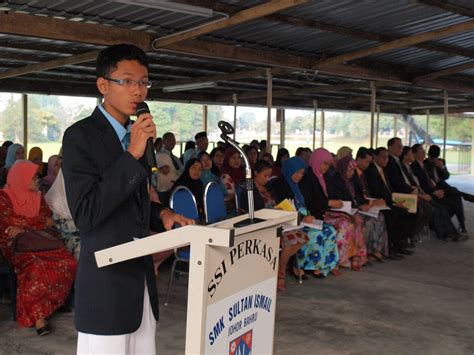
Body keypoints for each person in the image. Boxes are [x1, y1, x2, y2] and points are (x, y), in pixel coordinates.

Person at [62, 44, 193, 354]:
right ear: (103, 85)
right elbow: (87, 213)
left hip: (141, 281)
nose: (138, 90)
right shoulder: (80, 137)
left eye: (144, 82)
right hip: (106, 285)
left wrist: (161, 215)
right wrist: (133, 154)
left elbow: (131, 201)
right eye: (127, 80)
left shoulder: (134, 135)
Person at [0, 161, 77, 335]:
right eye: (33, 176)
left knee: (68, 260)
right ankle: (39, 319)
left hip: (39, 241)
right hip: (17, 246)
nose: (37, 180)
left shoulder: (38, 196)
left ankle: (52, 304)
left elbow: (48, 221)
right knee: (36, 268)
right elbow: (8, 223)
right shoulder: (3, 197)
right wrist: (33, 224)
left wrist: (24, 225)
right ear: (22, 178)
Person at [300, 148, 367, 271]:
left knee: (356, 220)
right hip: (315, 214)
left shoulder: (323, 177)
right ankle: (335, 261)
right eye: (324, 163)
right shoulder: (308, 178)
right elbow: (310, 202)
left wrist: (334, 205)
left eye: (328, 164)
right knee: (342, 226)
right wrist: (329, 203)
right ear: (317, 161)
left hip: (326, 212)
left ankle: (352, 257)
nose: (326, 167)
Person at [272, 157, 339, 280]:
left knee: (329, 230)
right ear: (290, 170)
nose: (299, 176)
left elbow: (305, 203)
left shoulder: (296, 185)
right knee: (314, 234)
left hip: (302, 218)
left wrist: (307, 216)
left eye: (302, 173)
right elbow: (284, 208)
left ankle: (321, 264)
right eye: (297, 172)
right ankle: (300, 265)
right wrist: (302, 217)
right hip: (290, 220)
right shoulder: (280, 185)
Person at [330, 156, 388, 262]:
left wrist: (367, 204)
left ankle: (374, 250)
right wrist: (358, 207)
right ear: (343, 169)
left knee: (380, 217)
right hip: (345, 211)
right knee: (367, 222)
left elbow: (360, 197)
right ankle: (359, 254)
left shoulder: (353, 180)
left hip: (356, 209)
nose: (351, 173)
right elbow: (341, 201)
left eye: (353, 170)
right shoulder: (336, 181)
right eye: (349, 170)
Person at [45, 168, 81, 259]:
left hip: (84, 235)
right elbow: (65, 227)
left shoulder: (79, 192)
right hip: (66, 238)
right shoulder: (56, 199)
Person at [220, 147, 245, 212]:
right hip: (233, 209)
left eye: (239, 157)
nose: (237, 160)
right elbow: (232, 195)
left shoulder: (242, 173)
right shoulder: (225, 176)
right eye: (233, 158)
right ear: (227, 159)